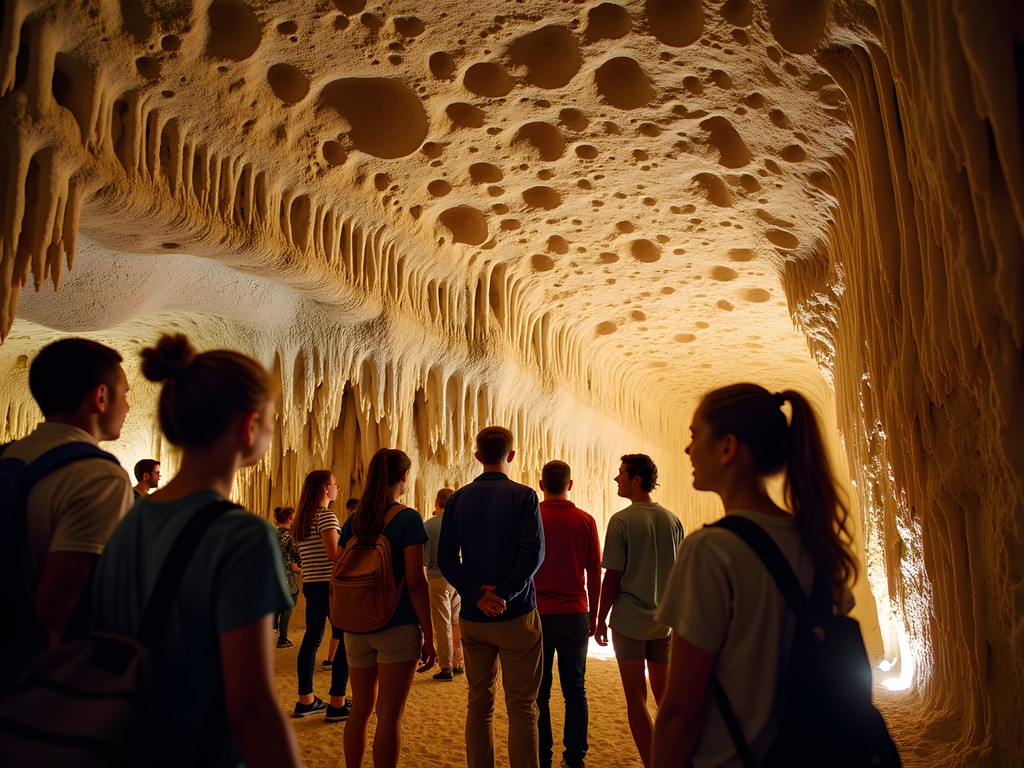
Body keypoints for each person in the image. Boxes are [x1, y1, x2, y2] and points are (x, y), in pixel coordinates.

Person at [90, 333, 300, 767]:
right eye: (271, 420)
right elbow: (250, 707)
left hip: (124, 742)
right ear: (249, 425)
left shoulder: (127, 523)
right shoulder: (242, 535)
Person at [651, 384, 858, 768]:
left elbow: (681, 713)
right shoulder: (818, 545)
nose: (688, 449)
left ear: (728, 447)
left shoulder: (710, 552)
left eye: (695, 436)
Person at [2, 338, 132, 669]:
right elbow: (57, 610)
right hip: (42, 676)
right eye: (125, 394)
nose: (128, 406)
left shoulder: (9, 456)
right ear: (100, 397)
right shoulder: (98, 477)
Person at [438, 426, 545, 768]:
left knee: (479, 704)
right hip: (516, 616)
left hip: (473, 618)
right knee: (522, 707)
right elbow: (533, 555)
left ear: (478, 456)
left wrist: (476, 594)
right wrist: (504, 594)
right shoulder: (525, 496)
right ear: (511, 456)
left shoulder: (457, 499)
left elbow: (445, 559)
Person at [340, 448, 435, 768]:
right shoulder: (407, 518)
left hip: (356, 626)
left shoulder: (355, 519)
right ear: (404, 477)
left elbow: (338, 568)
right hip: (397, 625)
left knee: (360, 710)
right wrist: (430, 635)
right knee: (389, 715)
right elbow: (415, 582)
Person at [595, 453, 683, 768]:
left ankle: (652, 763)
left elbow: (613, 577)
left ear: (636, 479)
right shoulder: (671, 519)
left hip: (630, 622)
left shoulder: (622, 521)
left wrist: (600, 619)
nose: (616, 479)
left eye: (621, 473)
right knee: (666, 699)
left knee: (636, 699)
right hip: (664, 623)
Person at [533, 460, 602, 768]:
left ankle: (542, 757)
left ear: (541, 484)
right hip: (575, 612)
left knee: (539, 692)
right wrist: (595, 614)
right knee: (575, 690)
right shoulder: (585, 520)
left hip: (539, 614)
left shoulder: (531, 519)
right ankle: (574, 759)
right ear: (570, 485)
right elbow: (594, 573)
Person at [292, 470, 349, 720]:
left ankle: (306, 699)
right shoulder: (325, 516)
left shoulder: (303, 519)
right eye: (335, 485)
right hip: (330, 585)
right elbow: (333, 554)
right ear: (326, 489)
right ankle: (337, 702)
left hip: (312, 583)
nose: (338, 489)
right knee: (345, 638)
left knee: (312, 638)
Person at [422, 487, 464, 681]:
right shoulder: (459, 523)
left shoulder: (428, 526)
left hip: (437, 578)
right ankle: (458, 663)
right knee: (456, 621)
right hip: (457, 578)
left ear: (437, 502)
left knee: (442, 624)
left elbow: (421, 559)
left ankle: (446, 668)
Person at [324, 496, 360, 669]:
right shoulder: (331, 519)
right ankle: (338, 690)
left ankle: (330, 659)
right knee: (343, 632)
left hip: (318, 581)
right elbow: (335, 555)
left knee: (319, 633)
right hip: (343, 582)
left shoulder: (347, 523)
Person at [274, 506, 301, 649]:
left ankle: (272, 629)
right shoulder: (289, 536)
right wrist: (299, 566)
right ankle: (283, 638)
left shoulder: (271, 534)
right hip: (288, 577)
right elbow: (298, 555)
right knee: (288, 605)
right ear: (289, 518)